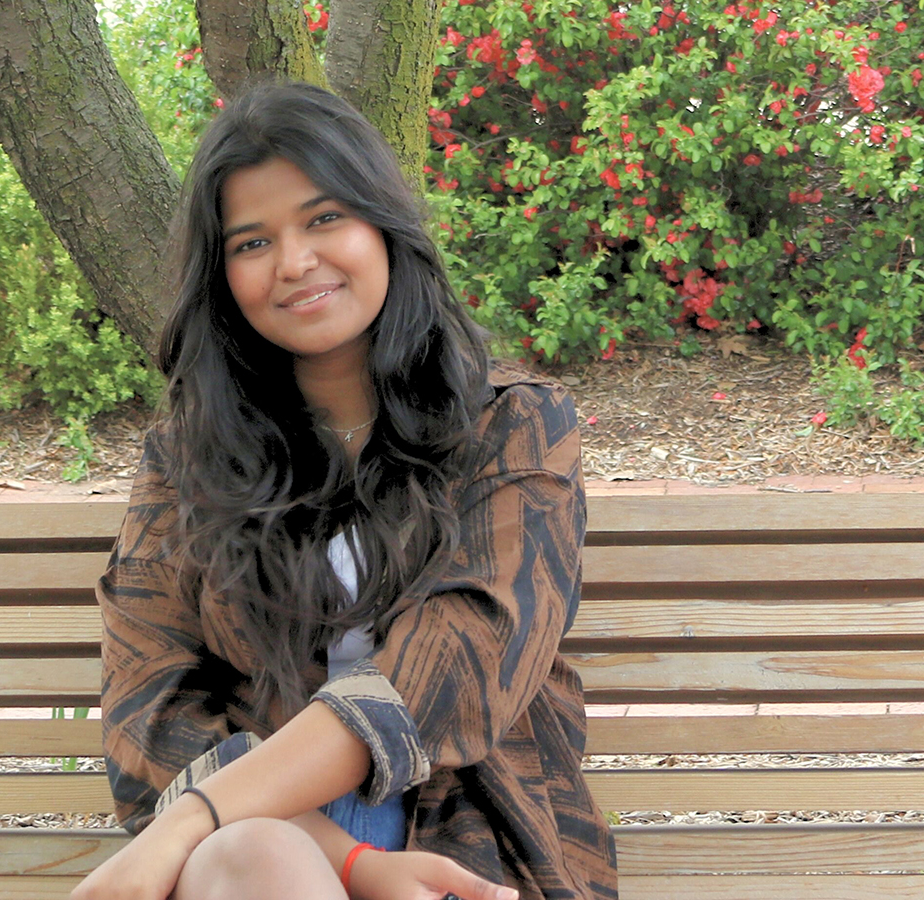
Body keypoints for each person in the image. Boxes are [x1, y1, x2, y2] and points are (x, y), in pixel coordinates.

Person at [75, 82, 618, 900]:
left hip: (467, 841)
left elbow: (454, 670)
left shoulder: (515, 430)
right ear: (221, 276)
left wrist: (193, 818)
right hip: (270, 841)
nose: (294, 263)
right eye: (251, 243)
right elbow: (148, 697)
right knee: (249, 856)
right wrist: (350, 862)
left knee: (227, 842)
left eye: (324, 218)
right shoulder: (187, 460)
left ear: (384, 226)